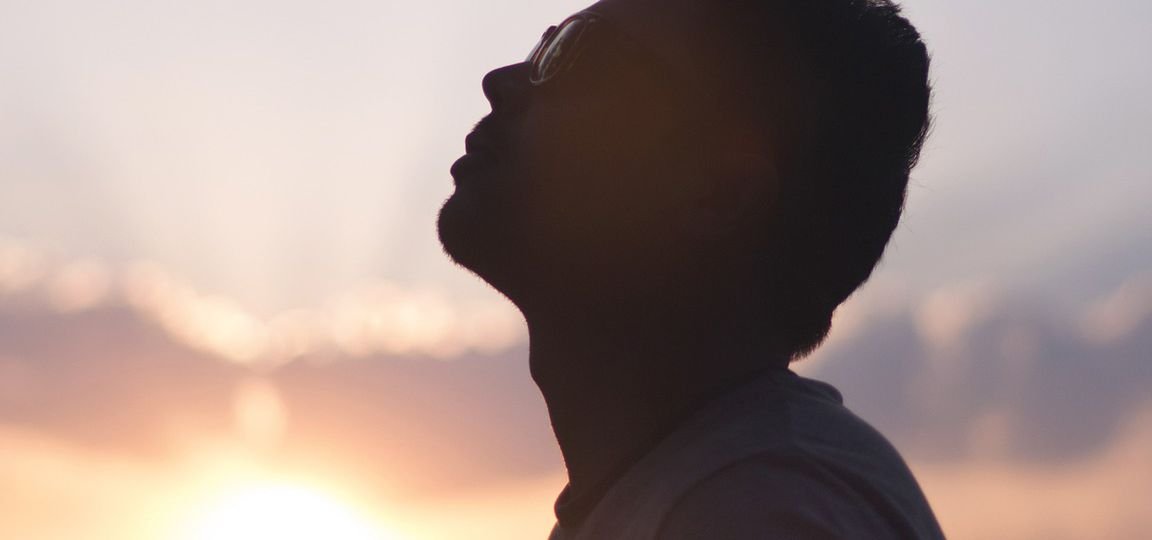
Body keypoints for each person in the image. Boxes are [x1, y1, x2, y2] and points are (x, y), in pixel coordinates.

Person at [438, 0, 942, 537]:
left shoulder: (763, 508)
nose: (502, 81)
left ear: (720, 196)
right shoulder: (696, 491)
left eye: (580, 54)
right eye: (545, 44)